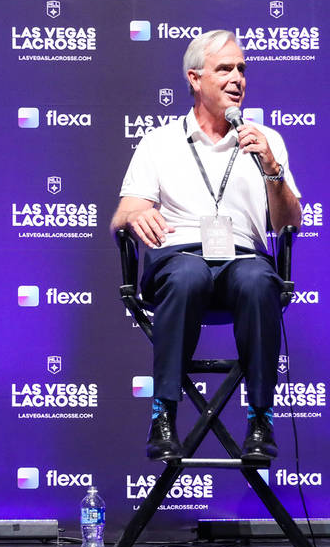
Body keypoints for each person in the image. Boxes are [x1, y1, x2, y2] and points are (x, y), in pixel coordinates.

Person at [111, 30, 302, 460]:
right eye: (225, 69)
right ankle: (163, 413)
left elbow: (290, 224)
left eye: (242, 69)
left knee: (257, 279)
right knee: (189, 273)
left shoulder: (266, 140)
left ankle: (260, 418)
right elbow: (122, 216)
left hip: (243, 258)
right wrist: (137, 214)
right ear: (195, 79)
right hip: (178, 258)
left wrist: (271, 168)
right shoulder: (160, 141)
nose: (237, 78)